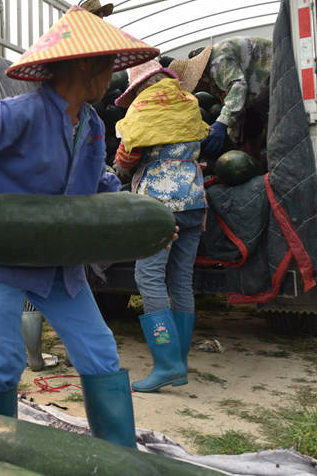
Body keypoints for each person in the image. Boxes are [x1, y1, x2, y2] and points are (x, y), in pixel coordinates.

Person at [0, 6, 160, 448]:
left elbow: (99, 185)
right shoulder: (21, 113)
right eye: (106, 68)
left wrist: (143, 222)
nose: (110, 80)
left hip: (61, 267)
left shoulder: (92, 126)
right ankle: (4, 454)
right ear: (84, 66)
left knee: (100, 353)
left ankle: (120, 455)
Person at [112, 59, 209, 393]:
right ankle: (178, 363)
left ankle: (166, 365)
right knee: (180, 280)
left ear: (139, 87)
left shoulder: (143, 110)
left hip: (160, 206)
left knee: (149, 277)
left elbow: (126, 158)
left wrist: (118, 169)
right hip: (195, 201)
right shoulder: (189, 103)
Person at [169, 37, 272, 162]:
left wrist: (221, 124)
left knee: (265, 107)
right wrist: (234, 139)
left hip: (276, 69)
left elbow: (238, 86)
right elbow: (234, 105)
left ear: (198, 78)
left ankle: (278, 157)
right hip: (258, 86)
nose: (196, 91)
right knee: (247, 122)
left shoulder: (217, 62)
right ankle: (256, 167)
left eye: (194, 87)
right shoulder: (212, 79)